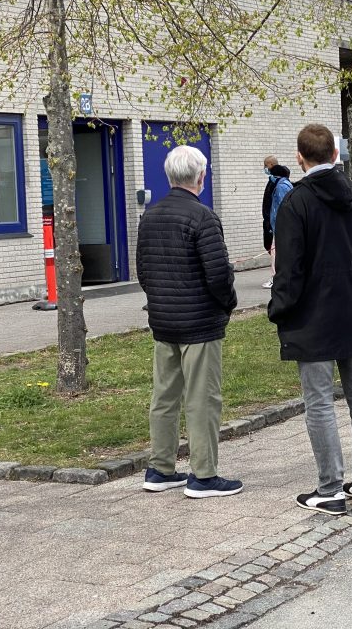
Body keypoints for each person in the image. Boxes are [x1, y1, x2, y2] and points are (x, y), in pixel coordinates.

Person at [268, 124, 352, 516]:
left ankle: (331, 488)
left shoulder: (296, 204)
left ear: (300, 157)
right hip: (350, 312)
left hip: (311, 317)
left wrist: (279, 309)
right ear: (336, 155)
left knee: (319, 402)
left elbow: (290, 269)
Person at [136, 145, 242, 498]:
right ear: (201, 176)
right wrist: (228, 303)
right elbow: (218, 275)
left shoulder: (149, 217)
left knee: (164, 396)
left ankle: (160, 467)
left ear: (169, 177)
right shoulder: (203, 217)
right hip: (199, 321)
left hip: (163, 319)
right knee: (202, 398)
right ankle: (204, 475)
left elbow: (144, 272)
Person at [261, 156, 292, 289]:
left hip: (279, 226)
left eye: (265, 165)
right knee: (275, 252)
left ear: (272, 165)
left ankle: (276, 279)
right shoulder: (275, 182)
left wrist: (278, 225)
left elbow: (282, 207)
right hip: (275, 225)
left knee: (276, 253)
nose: (265, 168)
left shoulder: (281, 185)